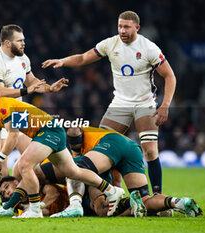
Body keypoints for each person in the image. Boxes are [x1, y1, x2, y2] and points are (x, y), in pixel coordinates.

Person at [42, 11, 177, 195]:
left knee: (150, 151)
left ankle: (158, 196)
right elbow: (83, 58)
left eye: (127, 27)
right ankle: (116, 190)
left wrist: (165, 105)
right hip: (120, 103)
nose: (122, 30)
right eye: (120, 26)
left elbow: (170, 75)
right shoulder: (110, 43)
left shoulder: (149, 48)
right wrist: (63, 61)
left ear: (137, 28)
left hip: (144, 103)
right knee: (105, 147)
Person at [0, 82, 125, 218]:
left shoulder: (3, 106)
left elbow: (13, 135)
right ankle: (112, 191)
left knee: (24, 165)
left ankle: (35, 209)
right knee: (73, 172)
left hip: (47, 131)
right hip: (50, 131)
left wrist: (0, 159)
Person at [50, 127, 202, 218]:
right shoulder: (96, 151)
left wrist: (75, 151)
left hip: (112, 145)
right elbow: (116, 183)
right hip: (130, 148)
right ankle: (178, 202)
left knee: (75, 170)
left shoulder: (83, 150)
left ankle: (75, 206)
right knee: (145, 198)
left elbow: (74, 130)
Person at [0, 24, 68, 176]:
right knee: (2, 157)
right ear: (7, 43)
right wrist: (25, 91)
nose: (23, 44)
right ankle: (5, 197)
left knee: (31, 155)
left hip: (18, 110)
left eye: (23, 40)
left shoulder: (22, 58)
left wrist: (49, 89)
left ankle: (25, 194)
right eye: (19, 41)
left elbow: (31, 82)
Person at [0, 176, 69, 216]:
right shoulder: (20, 208)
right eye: (4, 193)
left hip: (74, 200)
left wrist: (37, 207)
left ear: (16, 182)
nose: (7, 192)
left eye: (7, 187)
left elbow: (53, 192)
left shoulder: (34, 186)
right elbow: (46, 212)